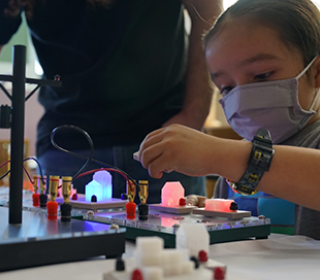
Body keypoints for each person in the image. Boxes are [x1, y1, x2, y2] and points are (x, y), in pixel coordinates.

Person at [0, 0, 223, 203]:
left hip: (165, 140)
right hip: (66, 147)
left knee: (182, 245)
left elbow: (207, 9)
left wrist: (194, 115)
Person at [138, 0, 320, 239]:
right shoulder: (233, 162)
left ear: (316, 72)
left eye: (262, 75)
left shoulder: (233, 158)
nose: (242, 96)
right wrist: (205, 210)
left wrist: (218, 154)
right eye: (226, 87)